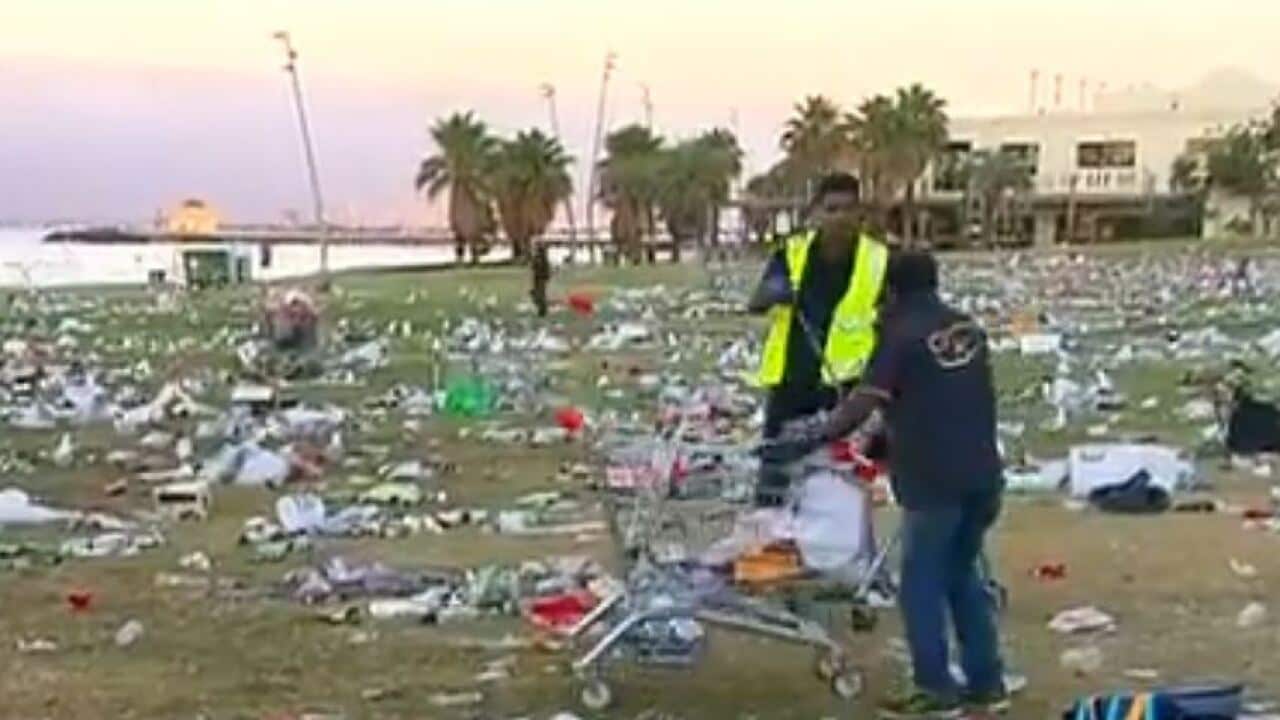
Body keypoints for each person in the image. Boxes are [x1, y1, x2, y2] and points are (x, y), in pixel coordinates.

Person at [771, 251, 1007, 718]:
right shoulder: (968, 330)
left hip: (933, 480)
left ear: (890, 290)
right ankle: (987, 683)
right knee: (961, 576)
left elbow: (864, 401)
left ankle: (936, 689)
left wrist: (815, 433)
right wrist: (883, 440)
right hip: (983, 474)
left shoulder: (899, 334)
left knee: (919, 584)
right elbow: (937, 397)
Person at [747, 172, 890, 506]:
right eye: (831, 209)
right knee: (775, 475)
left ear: (860, 214)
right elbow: (756, 303)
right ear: (817, 213)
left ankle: (834, 547)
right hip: (792, 380)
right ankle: (771, 543)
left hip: (847, 388)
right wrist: (773, 292)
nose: (838, 218)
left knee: (841, 477)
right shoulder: (792, 252)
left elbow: (890, 320)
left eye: (847, 209)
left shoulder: (879, 259)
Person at [530, 241, 551, 318]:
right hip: (538, 278)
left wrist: (546, 276)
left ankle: (542, 310)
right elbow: (534, 267)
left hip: (540, 278)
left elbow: (537, 267)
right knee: (537, 293)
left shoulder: (541, 258)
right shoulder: (540, 257)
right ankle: (542, 309)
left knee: (540, 294)